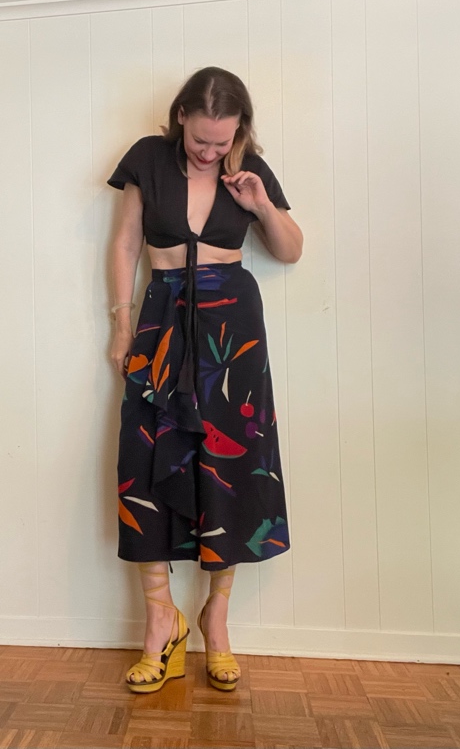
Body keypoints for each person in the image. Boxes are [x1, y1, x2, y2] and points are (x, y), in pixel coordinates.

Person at [107, 66, 303, 694]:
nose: (211, 151)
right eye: (201, 140)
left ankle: (216, 617)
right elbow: (125, 244)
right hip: (161, 314)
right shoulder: (146, 159)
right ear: (182, 116)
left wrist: (260, 205)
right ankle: (161, 617)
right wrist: (121, 324)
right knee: (145, 459)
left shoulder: (251, 170)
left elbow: (291, 250)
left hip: (232, 325)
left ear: (240, 129)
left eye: (223, 141)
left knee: (234, 460)